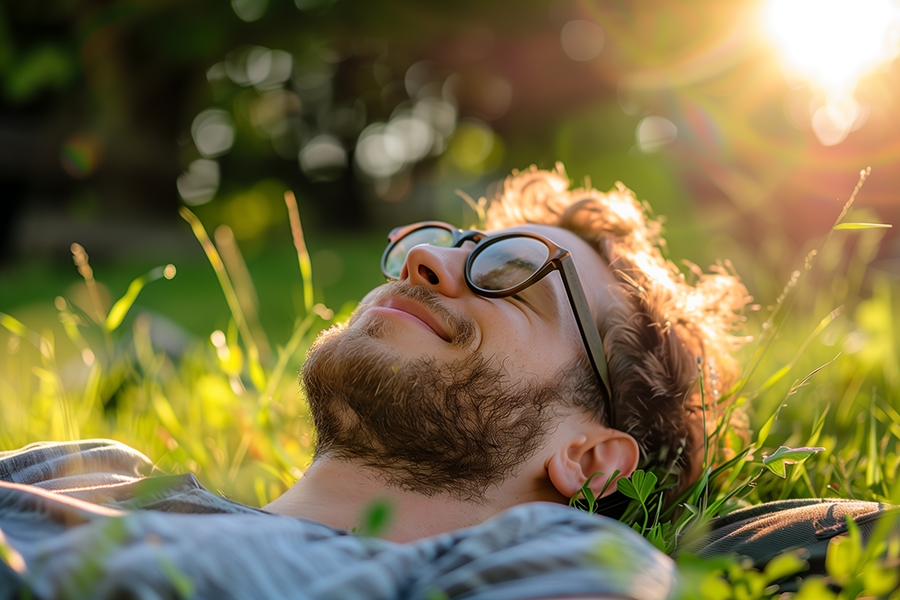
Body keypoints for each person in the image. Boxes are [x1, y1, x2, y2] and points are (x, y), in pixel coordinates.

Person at [0, 165, 749, 599]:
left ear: (589, 459)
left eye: (513, 278)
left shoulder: (548, 567)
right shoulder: (87, 472)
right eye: (439, 244)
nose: (430, 263)